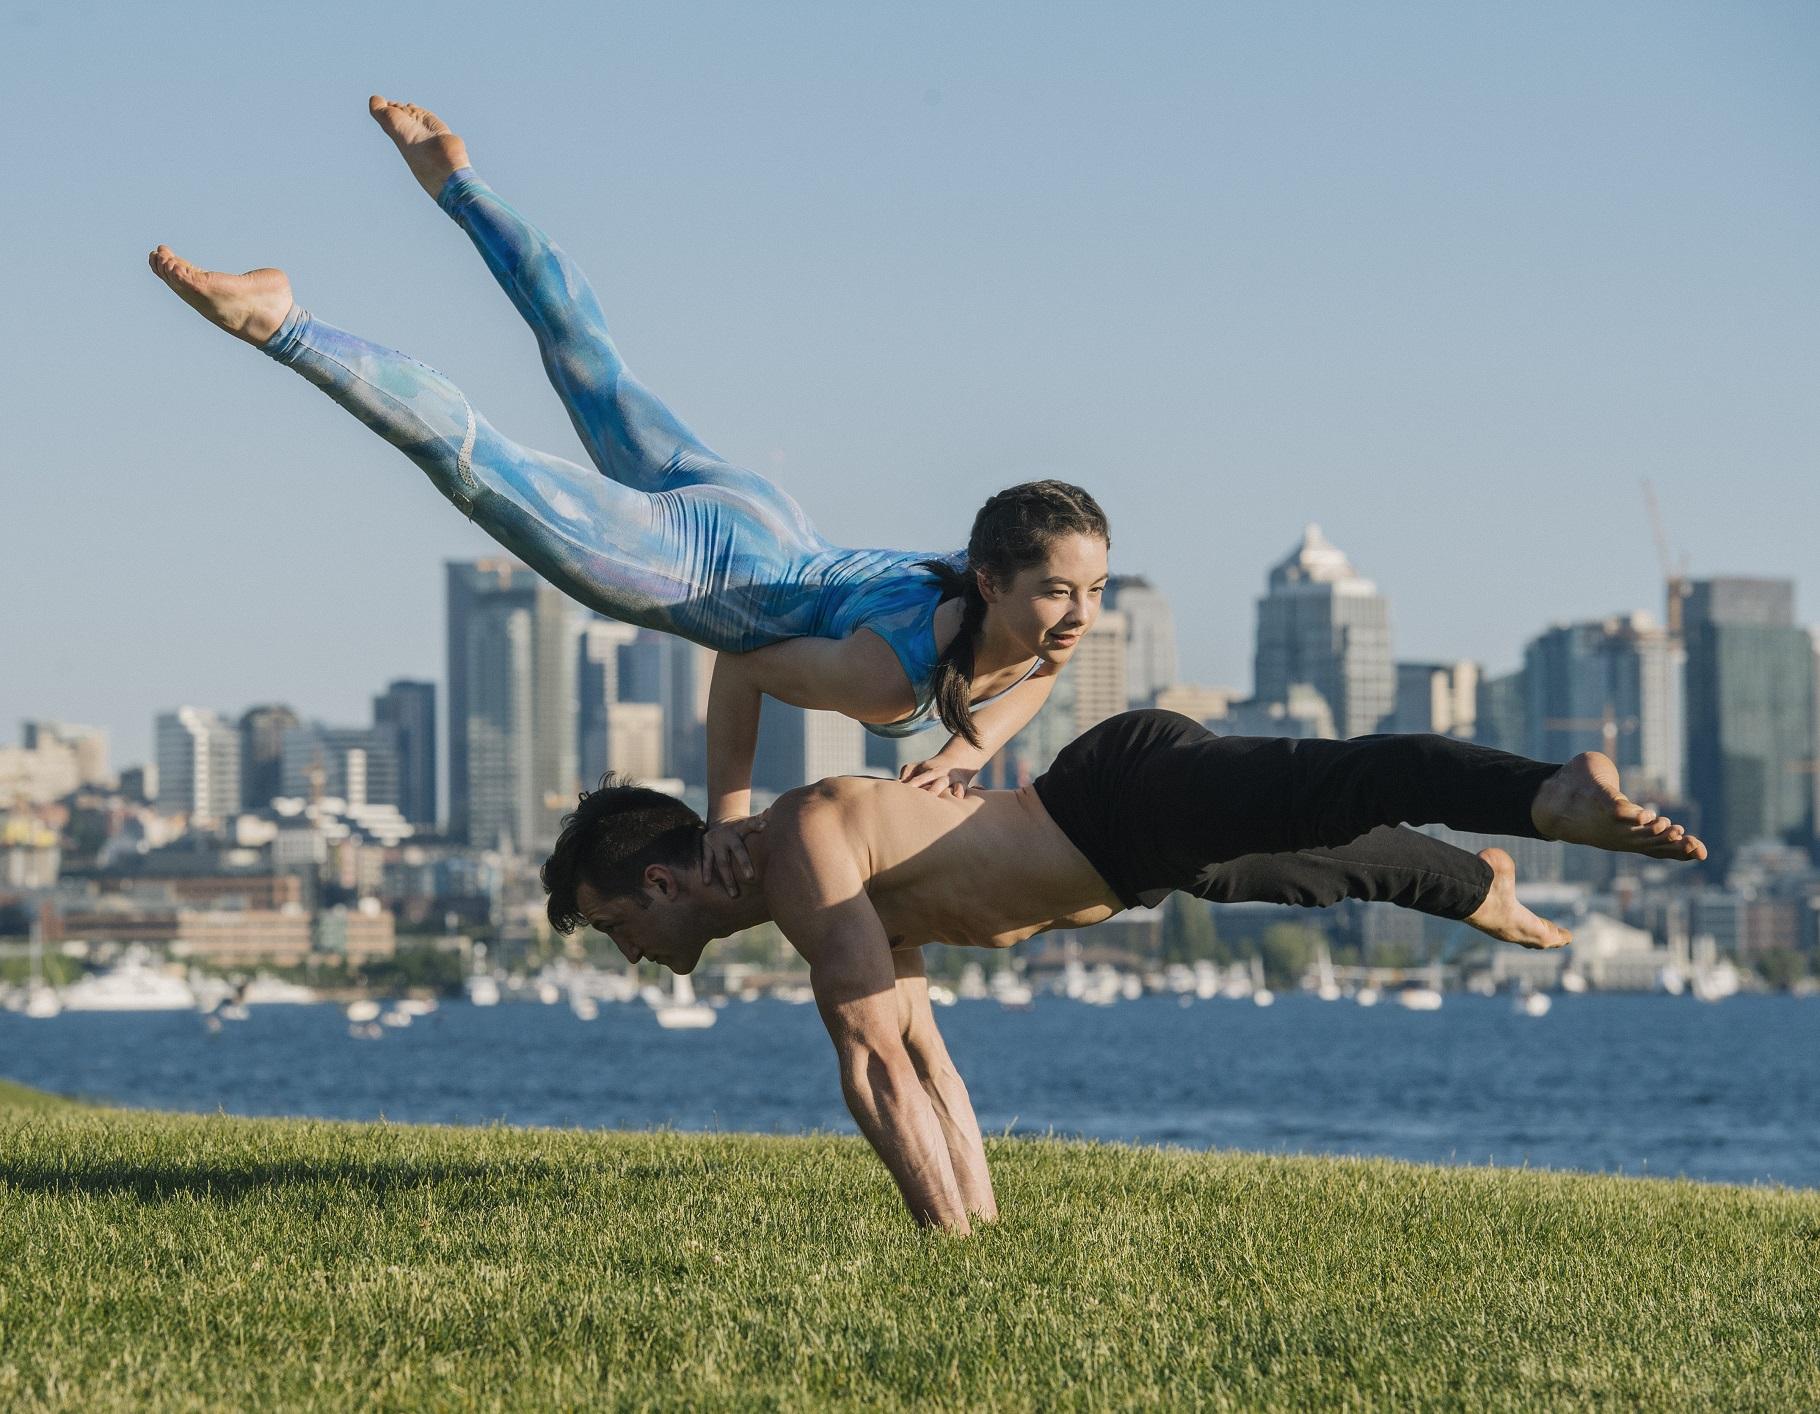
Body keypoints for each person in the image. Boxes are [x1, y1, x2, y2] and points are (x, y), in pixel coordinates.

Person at [146, 96, 1103, 888]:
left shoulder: (1016, 629)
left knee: (590, 363)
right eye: (1060, 592)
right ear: (990, 582)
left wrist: (958, 758)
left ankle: (454, 175)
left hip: (764, 516)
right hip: (703, 573)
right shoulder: (889, 675)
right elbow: (750, 667)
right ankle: (286, 324)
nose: (1078, 616)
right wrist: (726, 814)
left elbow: (1040, 678)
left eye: (1094, 591)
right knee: (479, 467)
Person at [541, 710, 1704, 1234]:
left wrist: (946, 1254)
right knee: (1310, 870)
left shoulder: (805, 849)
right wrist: (978, 1236)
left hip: (1117, 797)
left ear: (653, 885)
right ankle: (1477, 880)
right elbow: (927, 1061)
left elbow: (877, 1066)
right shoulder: (819, 882)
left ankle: (1548, 792)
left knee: (1332, 783)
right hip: (1135, 855)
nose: (626, 955)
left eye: (608, 927)